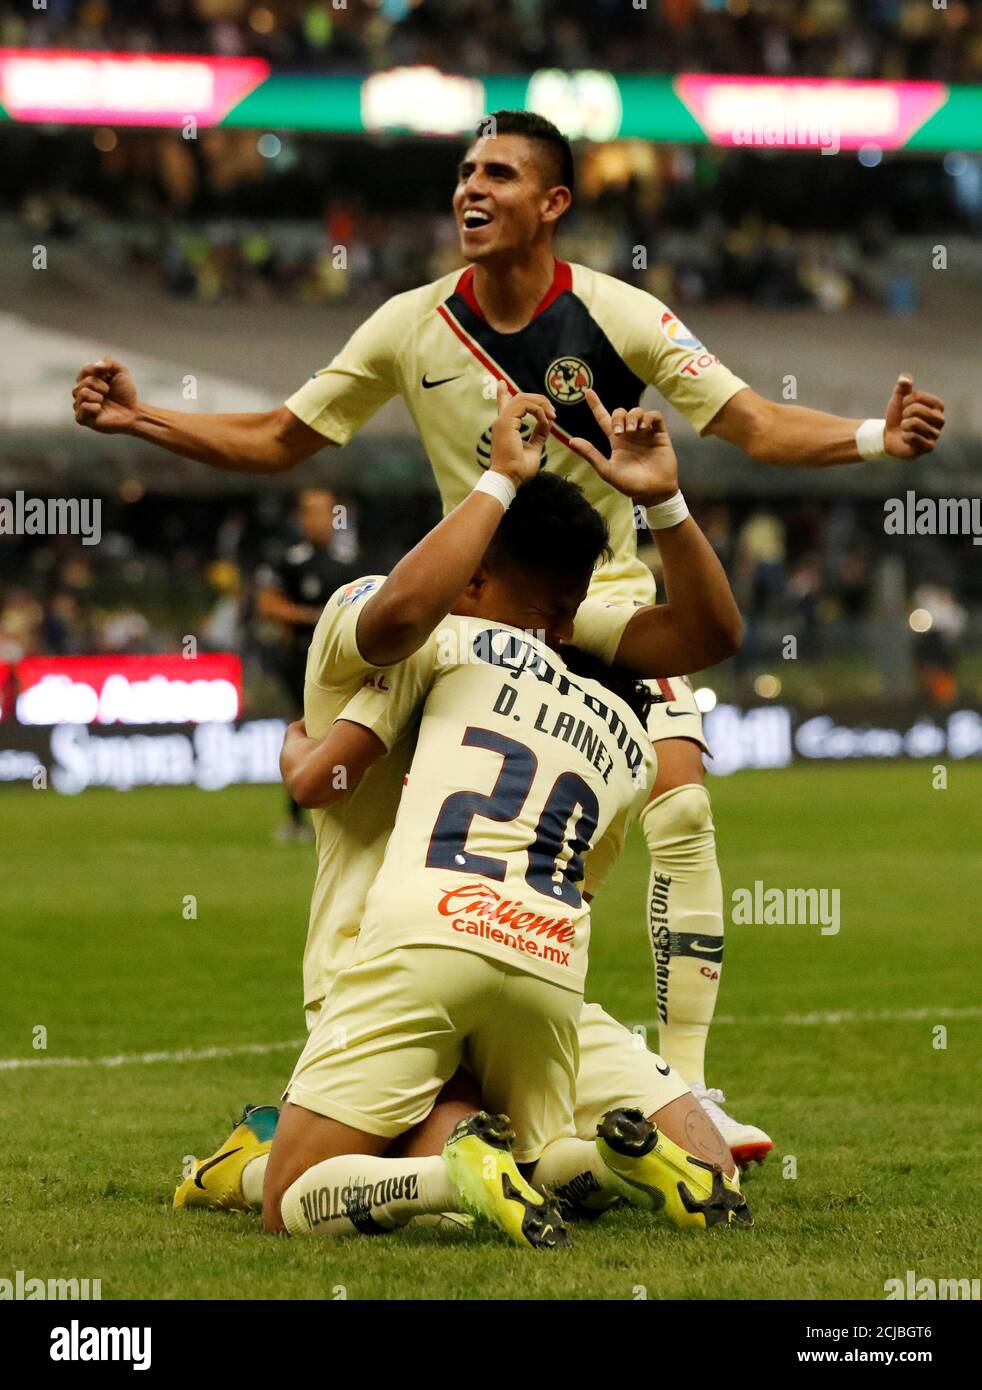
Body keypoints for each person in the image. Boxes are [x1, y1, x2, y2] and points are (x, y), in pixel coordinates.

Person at [73, 110, 946, 1161]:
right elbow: (277, 437)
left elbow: (751, 422)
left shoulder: (620, 316)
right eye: (462, 173)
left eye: (497, 173)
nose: (469, 191)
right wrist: (142, 420)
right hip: (479, 609)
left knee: (682, 813)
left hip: (611, 601)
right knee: (437, 852)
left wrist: (871, 439)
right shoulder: (409, 324)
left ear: (553, 204)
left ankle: (692, 1086)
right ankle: (421, 1067)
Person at [175, 386, 749, 1244]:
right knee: (664, 1160)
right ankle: (595, 1158)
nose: (565, 634)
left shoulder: (462, 636)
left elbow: (322, 776)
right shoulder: (485, 651)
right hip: (508, 955)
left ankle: (254, 1164)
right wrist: (637, 496)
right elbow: (702, 644)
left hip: (418, 951)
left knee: (330, 1183)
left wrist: (294, 753)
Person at [255, 486, 361, 841]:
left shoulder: (351, 561)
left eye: (327, 512)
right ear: (300, 518)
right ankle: (297, 817)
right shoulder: (287, 560)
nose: (320, 520)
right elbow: (267, 605)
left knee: (343, 734)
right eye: (312, 512)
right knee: (308, 733)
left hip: (347, 663)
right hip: (302, 664)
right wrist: (313, 616)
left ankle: (346, 813)